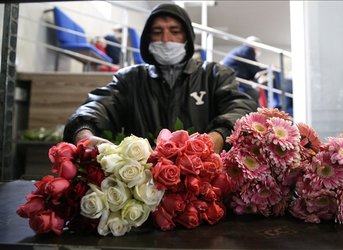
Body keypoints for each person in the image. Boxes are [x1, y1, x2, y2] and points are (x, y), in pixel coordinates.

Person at [63, 3, 257, 153]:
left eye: (175, 31)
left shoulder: (214, 75)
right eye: (157, 32)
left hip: (202, 180)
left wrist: (219, 135)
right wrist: (84, 134)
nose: (166, 39)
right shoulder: (130, 79)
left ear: (187, 38)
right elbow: (99, 105)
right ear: (148, 39)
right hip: (144, 183)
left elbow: (240, 107)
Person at [221, 36, 264, 105]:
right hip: (234, 78)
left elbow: (253, 69)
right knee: (254, 93)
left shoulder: (241, 50)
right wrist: (268, 69)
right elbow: (254, 69)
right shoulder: (247, 50)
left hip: (232, 77)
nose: (260, 49)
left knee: (253, 92)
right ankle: (253, 114)